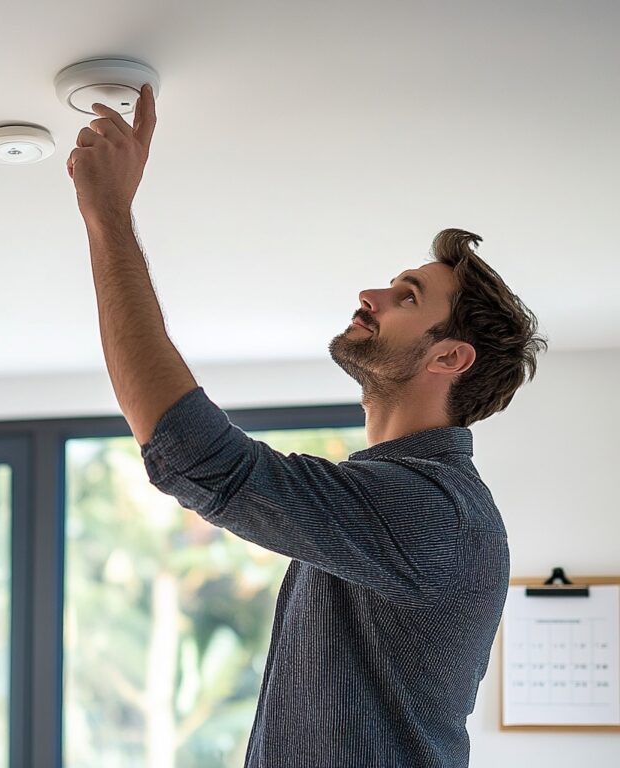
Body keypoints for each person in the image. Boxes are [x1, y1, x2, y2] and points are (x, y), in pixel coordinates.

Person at [67, 85, 549, 768]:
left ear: (449, 356)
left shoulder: (432, 512)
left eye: (406, 297)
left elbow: (195, 455)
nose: (371, 296)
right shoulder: (403, 499)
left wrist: (107, 216)